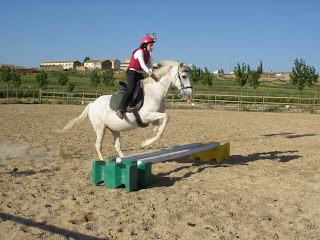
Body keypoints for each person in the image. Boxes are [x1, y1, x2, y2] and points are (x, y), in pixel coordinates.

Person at [116, 36, 159, 119]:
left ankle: (134, 105)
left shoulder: (148, 55)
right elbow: (143, 65)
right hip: (131, 72)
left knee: (145, 88)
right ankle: (120, 108)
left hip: (139, 73)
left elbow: (150, 67)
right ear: (145, 45)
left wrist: (154, 75)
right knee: (131, 89)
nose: (152, 47)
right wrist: (150, 73)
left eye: (152, 45)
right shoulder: (140, 52)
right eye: (150, 45)